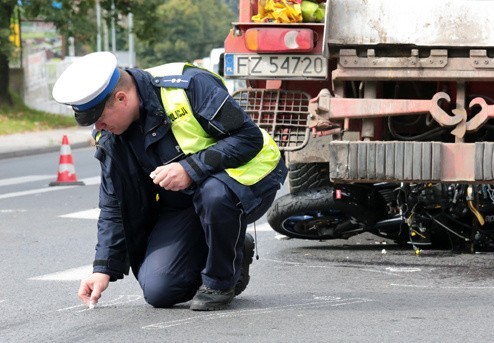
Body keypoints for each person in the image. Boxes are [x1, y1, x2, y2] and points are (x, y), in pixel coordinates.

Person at [52, 52, 287, 311]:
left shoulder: (190, 85)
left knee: (214, 194)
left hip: (242, 181)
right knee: (160, 290)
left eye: (100, 119)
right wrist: (102, 269)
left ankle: (221, 281)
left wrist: (190, 168)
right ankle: (231, 247)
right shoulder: (111, 136)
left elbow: (248, 138)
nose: (98, 127)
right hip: (183, 202)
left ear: (121, 98)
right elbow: (113, 203)